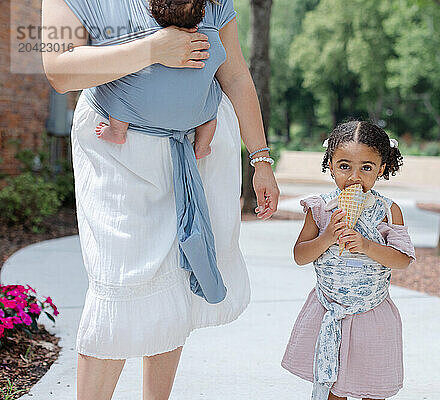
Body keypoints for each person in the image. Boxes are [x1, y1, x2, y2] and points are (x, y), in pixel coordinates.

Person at [41, 0, 279, 398]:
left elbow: (235, 75)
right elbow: (60, 70)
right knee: (117, 283)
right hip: (117, 156)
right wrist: (153, 48)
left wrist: (261, 158)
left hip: (190, 155)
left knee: (174, 285)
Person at [281, 121, 416, 400]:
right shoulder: (319, 208)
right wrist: (327, 237)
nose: (354, 177)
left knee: (373, 388)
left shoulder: (388, 211)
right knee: (334, 387)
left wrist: (367, 245)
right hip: (328, 308)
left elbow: (402, 260)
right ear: (330, 165)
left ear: (381, 168)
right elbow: (300, 255)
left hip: (372, 313)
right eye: (345, 166)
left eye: (366, 167)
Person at [95, 0, 217, 160]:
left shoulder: (145, 37)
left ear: (153, 13)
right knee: (211, 108)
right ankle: (202, 146)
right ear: (202, 13)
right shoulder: (205, 37)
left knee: (120, 87)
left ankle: (116, 132)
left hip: (142, 108)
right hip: (195, 113)